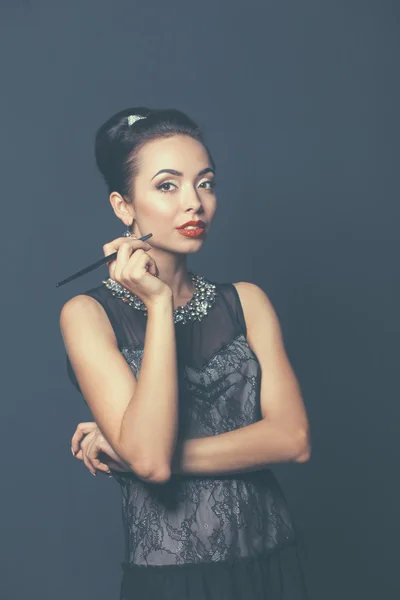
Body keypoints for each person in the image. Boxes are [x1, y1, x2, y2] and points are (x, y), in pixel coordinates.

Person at [60, 106, 311, 600]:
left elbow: (293, 439)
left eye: (206, 183)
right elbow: (151, 461)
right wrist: (156, 303)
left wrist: (135, 455)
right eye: (168, 185)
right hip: (171, 581)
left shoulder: (247, 302)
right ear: (124, 206)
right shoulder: (87, 315)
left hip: (274, 563)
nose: (194, 203)